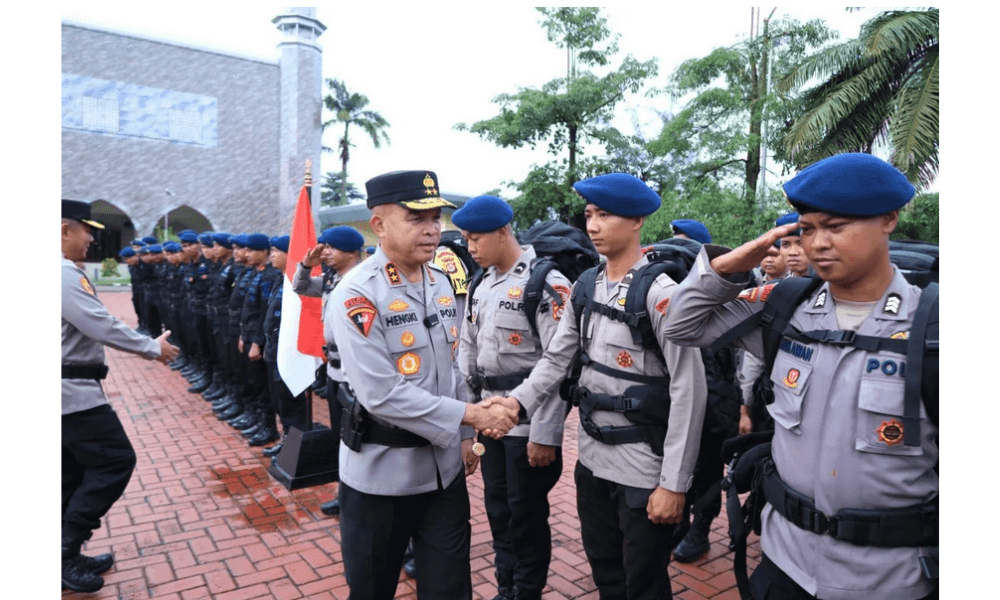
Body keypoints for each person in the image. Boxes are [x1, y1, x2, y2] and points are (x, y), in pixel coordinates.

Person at [661, 153, 938, 600]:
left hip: (888, 580)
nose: (818, 243)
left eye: (836, 226)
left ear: (888, 219)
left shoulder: (936, 327)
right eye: (807, 229)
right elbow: (681, 327)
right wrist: (729, 264)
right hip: (783, 564)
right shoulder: (787, 307)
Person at [483, 173, 708, 600]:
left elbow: (689, 391)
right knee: (606, 572)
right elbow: (555, 359)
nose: (593, 225)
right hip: (592, 463)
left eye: (605, 214)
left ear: (637, 220)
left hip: (645, 468)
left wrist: (674, 484)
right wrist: (515, 405)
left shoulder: (661, 295)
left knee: (644, 583)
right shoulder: (586, 286)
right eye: (589, 214)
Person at [331, 170, 519, 600]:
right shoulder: (357, 294)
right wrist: (472, 416)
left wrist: (469, 437)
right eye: (417, 218)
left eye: (436, 218)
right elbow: (381, 393)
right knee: (373, 590)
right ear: (378, 225)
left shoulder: (439, 283)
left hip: (442, 475)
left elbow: (450, 370)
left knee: (450, 590)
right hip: (380, 478)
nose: (433, 228)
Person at [453, 195, 570, 600]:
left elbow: (559, 363)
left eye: (476, 238)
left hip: (526, 426)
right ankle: (507, 587)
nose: (470, 247)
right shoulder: (480, 284)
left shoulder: (546, 282)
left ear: (503, 231)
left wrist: (546, 433)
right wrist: (468, 427)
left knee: (526, 515)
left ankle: (527, 591)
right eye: (466, 239)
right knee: (499, 511)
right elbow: (467, 357)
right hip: (488, 421)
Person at [62, 200, 179, 593]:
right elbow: (99, 323)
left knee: (72, 472)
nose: (91, 237)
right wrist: (151, 348)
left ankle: (66, 550)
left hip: (69, 390)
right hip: (69, 393)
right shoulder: (61, 273)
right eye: (85, 230)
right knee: (114, 462)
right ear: (64, 230)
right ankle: (62, 552)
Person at [292, 225, 365, 514]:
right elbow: (300, 287)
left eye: (331, 248)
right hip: (334, 371)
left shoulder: (361, 281)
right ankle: (345, 495)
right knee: (341, 437)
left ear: (350, 250)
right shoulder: (333, 279)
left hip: (354, 374)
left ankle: (358, 499)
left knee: (357, 439)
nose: (325, 253)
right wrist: (306, 265)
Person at [776, 212, 810, 277]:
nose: (792, 252)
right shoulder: (780, 286)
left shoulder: (831, 285)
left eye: (801, 244)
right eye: (785, 245)